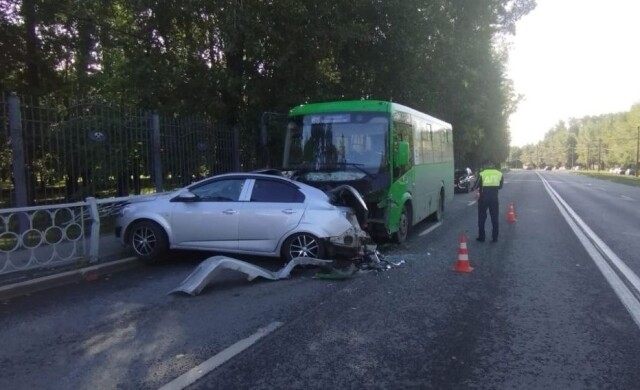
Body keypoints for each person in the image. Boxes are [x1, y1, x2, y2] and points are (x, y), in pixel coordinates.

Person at [472, 161, 504, 242]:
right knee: (495, 218)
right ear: (494, 165)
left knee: (482, 218)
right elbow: (500, 186)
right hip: (494, 198)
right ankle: (495, 237)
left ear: (486, 165)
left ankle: (482, 237)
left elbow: (475, 186)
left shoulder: (482, 173)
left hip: (483, 197)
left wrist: (478, 187)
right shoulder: (499, 173)